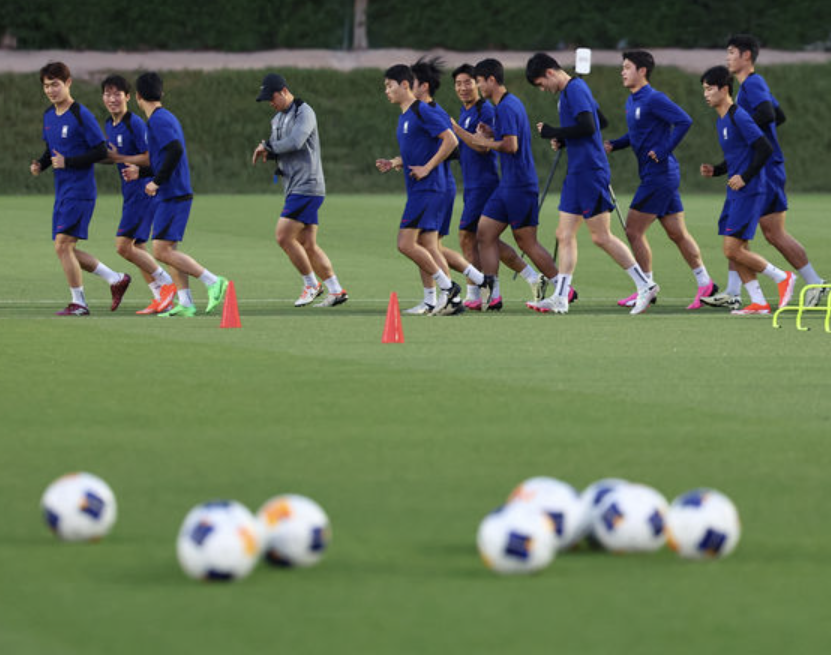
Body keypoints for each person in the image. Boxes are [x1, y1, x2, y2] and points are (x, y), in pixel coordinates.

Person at [525, 53, 657, 315]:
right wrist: (565, 139)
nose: (543, 89)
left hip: (590, 172)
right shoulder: (569, 93)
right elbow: (600, 122)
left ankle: (646, 285)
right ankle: (560, 297)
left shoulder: (575, 89)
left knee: (601, 237)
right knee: (563, 235)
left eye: (542, 84)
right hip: (576, 173)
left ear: (550, 73)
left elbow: (587, 125)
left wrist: (554, 132)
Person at [703, 34, 826, 309]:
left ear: (747, 56)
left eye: (732, 52)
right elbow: (778, 116)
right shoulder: (752, 86)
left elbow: (769, 116)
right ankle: (738, 291)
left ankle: (814, 284)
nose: (728, 57)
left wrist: (743, 125)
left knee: (765, 233)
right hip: (762, 165)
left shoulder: (752, 83)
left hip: (765, 168)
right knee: (752, 232)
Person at [604, 50, 717, 310]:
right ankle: (706, 284)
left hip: (660, 175)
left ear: (642, 71)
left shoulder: (654, 99)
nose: (622, 72)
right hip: (657, 175)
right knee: (677, 233)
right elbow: (637, 134)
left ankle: (646, 286)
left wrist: (665, 149)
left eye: (627, 67)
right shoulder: (632, 101)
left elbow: (684, 121)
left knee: (633, 230)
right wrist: (613, 145)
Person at [30, 61, 131, 316]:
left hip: (81, 190)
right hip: (62, 190)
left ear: (68, 83)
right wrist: (41, 164)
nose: (51, 90)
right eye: (46, 86)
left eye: (55, 85)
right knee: (67, 248)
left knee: (62, 246)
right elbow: (50, 149)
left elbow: (100, 150)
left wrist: (68, 162)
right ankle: (115, 278)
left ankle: (80, 303)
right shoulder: (48, 116)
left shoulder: (80, 114)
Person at [122, 71, 227, 317]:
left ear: (137, 96)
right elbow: (164, 157)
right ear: (162, 93)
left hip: (174, 193)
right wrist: (144, 172)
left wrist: (156, 182)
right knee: (170, 250)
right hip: (171, 192)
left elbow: (175, 150)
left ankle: (213, 281)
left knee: (160, 250)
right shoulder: (162, 118)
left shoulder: (158, 120)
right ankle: (186, 303)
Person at [450, 63, 550, 311]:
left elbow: (492, 146)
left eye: (471, 82)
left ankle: (558, 285)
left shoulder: (489, 108)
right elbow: (474, 144)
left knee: (473, 237)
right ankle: (504, 288)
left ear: (486, 81)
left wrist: (460, 131)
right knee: (484, 236)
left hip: (492, 184)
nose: (464, 87)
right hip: (487, 185)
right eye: (459, 83)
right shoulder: (478, 110)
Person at [468, 58, 564, 314]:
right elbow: (507, 138)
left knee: (527, 242)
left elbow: (512, 146)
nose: (478, 88)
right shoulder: (503, 106)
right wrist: (491, 132)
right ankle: (493, 295)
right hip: (507, 185)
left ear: (491, 80)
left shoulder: (507, 107)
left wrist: (484, 142)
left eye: (479, 82)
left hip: (520, 185)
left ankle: (562, 287)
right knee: (485, 234)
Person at [699, 65, 795, 315]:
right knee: (736, 252)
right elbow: (739, 154)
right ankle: (759, 303)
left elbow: (764, 147)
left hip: (750, 190)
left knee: (732, 249)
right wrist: (718, 170)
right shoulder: (722, 120)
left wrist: (745, 177)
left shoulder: (739, 115)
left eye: (709, 89)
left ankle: (783, 277)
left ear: (724, 89)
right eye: (704, 90)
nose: (706, 94)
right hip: (735, 191)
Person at [252, 73, 348, 308]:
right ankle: (336, 290)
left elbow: (296, 141)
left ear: (284, 91)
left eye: (272, 98)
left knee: (283, 236)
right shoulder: (276, 119)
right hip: (293, 186)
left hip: (308, 185)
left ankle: (311, 285)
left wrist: (268, 146)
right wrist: (270, 151)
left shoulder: (305, 112)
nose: (271, 103)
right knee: (307, 244)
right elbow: (279, 147)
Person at [375, 64, 461, 315]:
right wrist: (394, 162)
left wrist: (427, 167)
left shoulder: (422, 110)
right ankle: (435, 297)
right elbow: (416, 150)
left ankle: (449, 288)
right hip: (418, 189)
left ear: (404, 85)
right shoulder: (404, 117)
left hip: (429, 188)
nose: (387, 91)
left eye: (389, 85)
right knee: (421, 243)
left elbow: (451, 140)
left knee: (405, 244)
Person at [404, 56, 477, 314]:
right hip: (433, 184)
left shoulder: (429, 111)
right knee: (427, 244)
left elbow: (452, 146)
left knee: (425, 245)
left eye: (409, 82)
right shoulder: (419, 112)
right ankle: (465, 285)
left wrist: (427, 167)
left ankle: (447, 297)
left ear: (423, 86)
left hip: (436, 185)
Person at [99, 74, 176, 315]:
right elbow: (112, 157)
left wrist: (119, 158)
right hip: (129, 193)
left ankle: (167, 285)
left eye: (117, 94)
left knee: (123, 246)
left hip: (144, 191)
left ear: (129, 97)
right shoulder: (108, 125)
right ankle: (160, 297)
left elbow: (150, 157)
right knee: (138, 247)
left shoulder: (135, 123)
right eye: (108, 94)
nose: (112, 99)